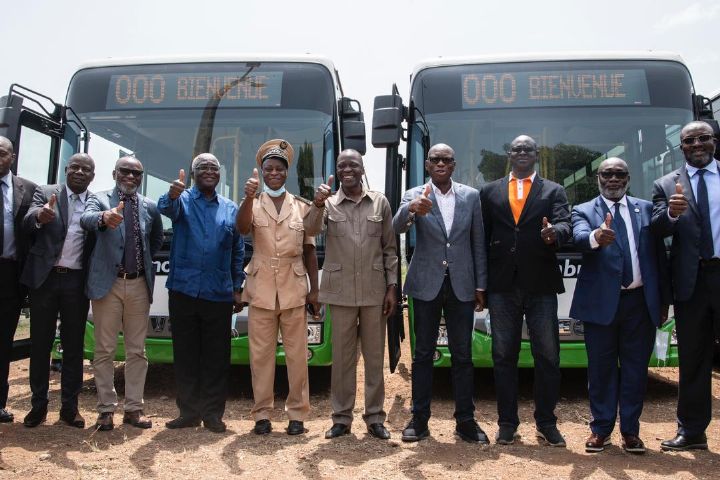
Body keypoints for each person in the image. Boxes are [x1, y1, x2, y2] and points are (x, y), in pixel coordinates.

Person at [570, 157, 670, 454]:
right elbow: (578, 238)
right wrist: (595, 237)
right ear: (597, 178)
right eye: (607, 174)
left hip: (639, 304)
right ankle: (600, 430)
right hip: (600, 305)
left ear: (628, 178)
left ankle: (630, 431)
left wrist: (663, 300)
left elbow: (659, 259)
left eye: (619, 174)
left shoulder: (647, 209)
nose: (613, 179)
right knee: (600, 371)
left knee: (635, 370)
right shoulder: (584, 210)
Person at [392, 143, 488, 443]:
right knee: (422, 355)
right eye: (435, 159)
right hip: (425, 285)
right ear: (428, 165)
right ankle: (419, 420)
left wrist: (480, 285)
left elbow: (478, 243)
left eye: (446, 159)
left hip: (461, 285)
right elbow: (395, 228)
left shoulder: (471, 196)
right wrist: (411, 210)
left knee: (463, 355)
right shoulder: (414, 194)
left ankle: (466, 421)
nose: (441, 163)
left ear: (454, 164)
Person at [480, 135, 571, 447]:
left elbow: (565, 225)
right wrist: (482, 283)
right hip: (502, 285)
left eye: (527, 149)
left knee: (547, 355)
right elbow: (482, 238)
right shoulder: (489, 191)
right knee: (503, 355)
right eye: (516, 148)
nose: (521, 153)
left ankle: (546, 423)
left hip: (541, 284)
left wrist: (554, 233)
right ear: (508, 153)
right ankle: (507, 423)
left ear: (536, 154)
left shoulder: (554, 190)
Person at [304, 149, 398, 440]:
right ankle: (341, 418)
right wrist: (317, 204)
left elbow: (390, 249)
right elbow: (309, 229)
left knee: (373, 358)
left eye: (352, 164)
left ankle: (374, 418)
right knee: (342, 359)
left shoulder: (379, 201)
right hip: (340, 293)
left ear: (361, 169)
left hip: (373, 292)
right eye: (341, 165)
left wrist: (393, 286)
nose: (347, 169)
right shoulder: (328, 203)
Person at [236, 139, 319, 436]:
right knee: (260, 355)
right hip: (260, 288)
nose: (273, 173)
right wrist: (247, 198)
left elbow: (309, 249)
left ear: (287, 173)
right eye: (268, 168)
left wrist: (314, 290)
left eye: (279, 169)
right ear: (262, 171)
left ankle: (297, 413)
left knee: (298, 355)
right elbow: (242, 229)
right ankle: (262, 414)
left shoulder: (301, 206)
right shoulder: (253, 203)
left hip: (294, 286)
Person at [158, 154, 245, 433]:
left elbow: (237, 251)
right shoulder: (181, 201)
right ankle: (188, 412)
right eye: (202, 168)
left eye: (213, 168)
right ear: (193, 174)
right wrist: (171, 194)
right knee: (185, 354)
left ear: (219, 174)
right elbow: (165, 207)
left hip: (218, 293)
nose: (209, 171)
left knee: (216, 356)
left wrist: (236, 287)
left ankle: (213, 414)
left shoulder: (231, 209)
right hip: (183, 289)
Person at [80, 156, 163, 431]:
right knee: (104, 350)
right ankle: (105, 410)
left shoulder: (149, 206)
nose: (130, 177)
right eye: (125, 171)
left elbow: (156, 240)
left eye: (136, 173)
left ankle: (134, 409)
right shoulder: (100, 198)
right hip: (108, 284)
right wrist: (105, 217)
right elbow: (86, 219)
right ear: (115, 173)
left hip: (139, 284)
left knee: (136, 351)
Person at [652, 121, 720, 451]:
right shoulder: (666, 185)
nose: (697, 144)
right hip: (692, 283)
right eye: (689, 141)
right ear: (681, 147)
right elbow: (654, 229)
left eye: (703, 138)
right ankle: (692, 432)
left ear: (714, 141)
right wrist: (671, 215)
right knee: (693, 358)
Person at [20, 153, 97, 428]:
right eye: (74, 167)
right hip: (46, 279)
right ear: (66, 170)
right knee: (40, 344)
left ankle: (69, 408)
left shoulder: (95, 202)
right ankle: (38, 406)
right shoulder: (46, 192)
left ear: (92, 176)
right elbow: (28, 219)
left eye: (85, 169)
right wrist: (40, 216)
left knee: (74, 347)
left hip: (77, 282)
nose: (79, 171)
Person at [0, 136, 36, 423]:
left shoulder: (28, 189)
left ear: (12, 157)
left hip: (10, 275)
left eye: (1, 154)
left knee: (3, 341)